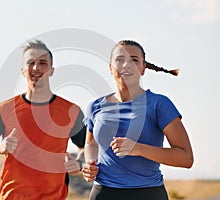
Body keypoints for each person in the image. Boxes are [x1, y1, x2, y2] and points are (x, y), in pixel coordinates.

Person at [0, 40, 86, 200]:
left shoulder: (70, 111)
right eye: (30, 63)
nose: (36, 68)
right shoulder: (5, 109)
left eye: (43, 63)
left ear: (51, 70)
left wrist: (79, 163)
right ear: (23, 70)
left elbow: (89, 147)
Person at [82, 40, 193, 200]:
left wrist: (138, 149)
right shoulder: (95, 106)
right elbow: (90, 143)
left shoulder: (159, 104)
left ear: (143, 68)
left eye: (134, 59)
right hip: (103, 192)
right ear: (110, 67)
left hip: (147, 193)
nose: (126, 65)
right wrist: (90, 163)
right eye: (120, 59)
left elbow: (186, 158)